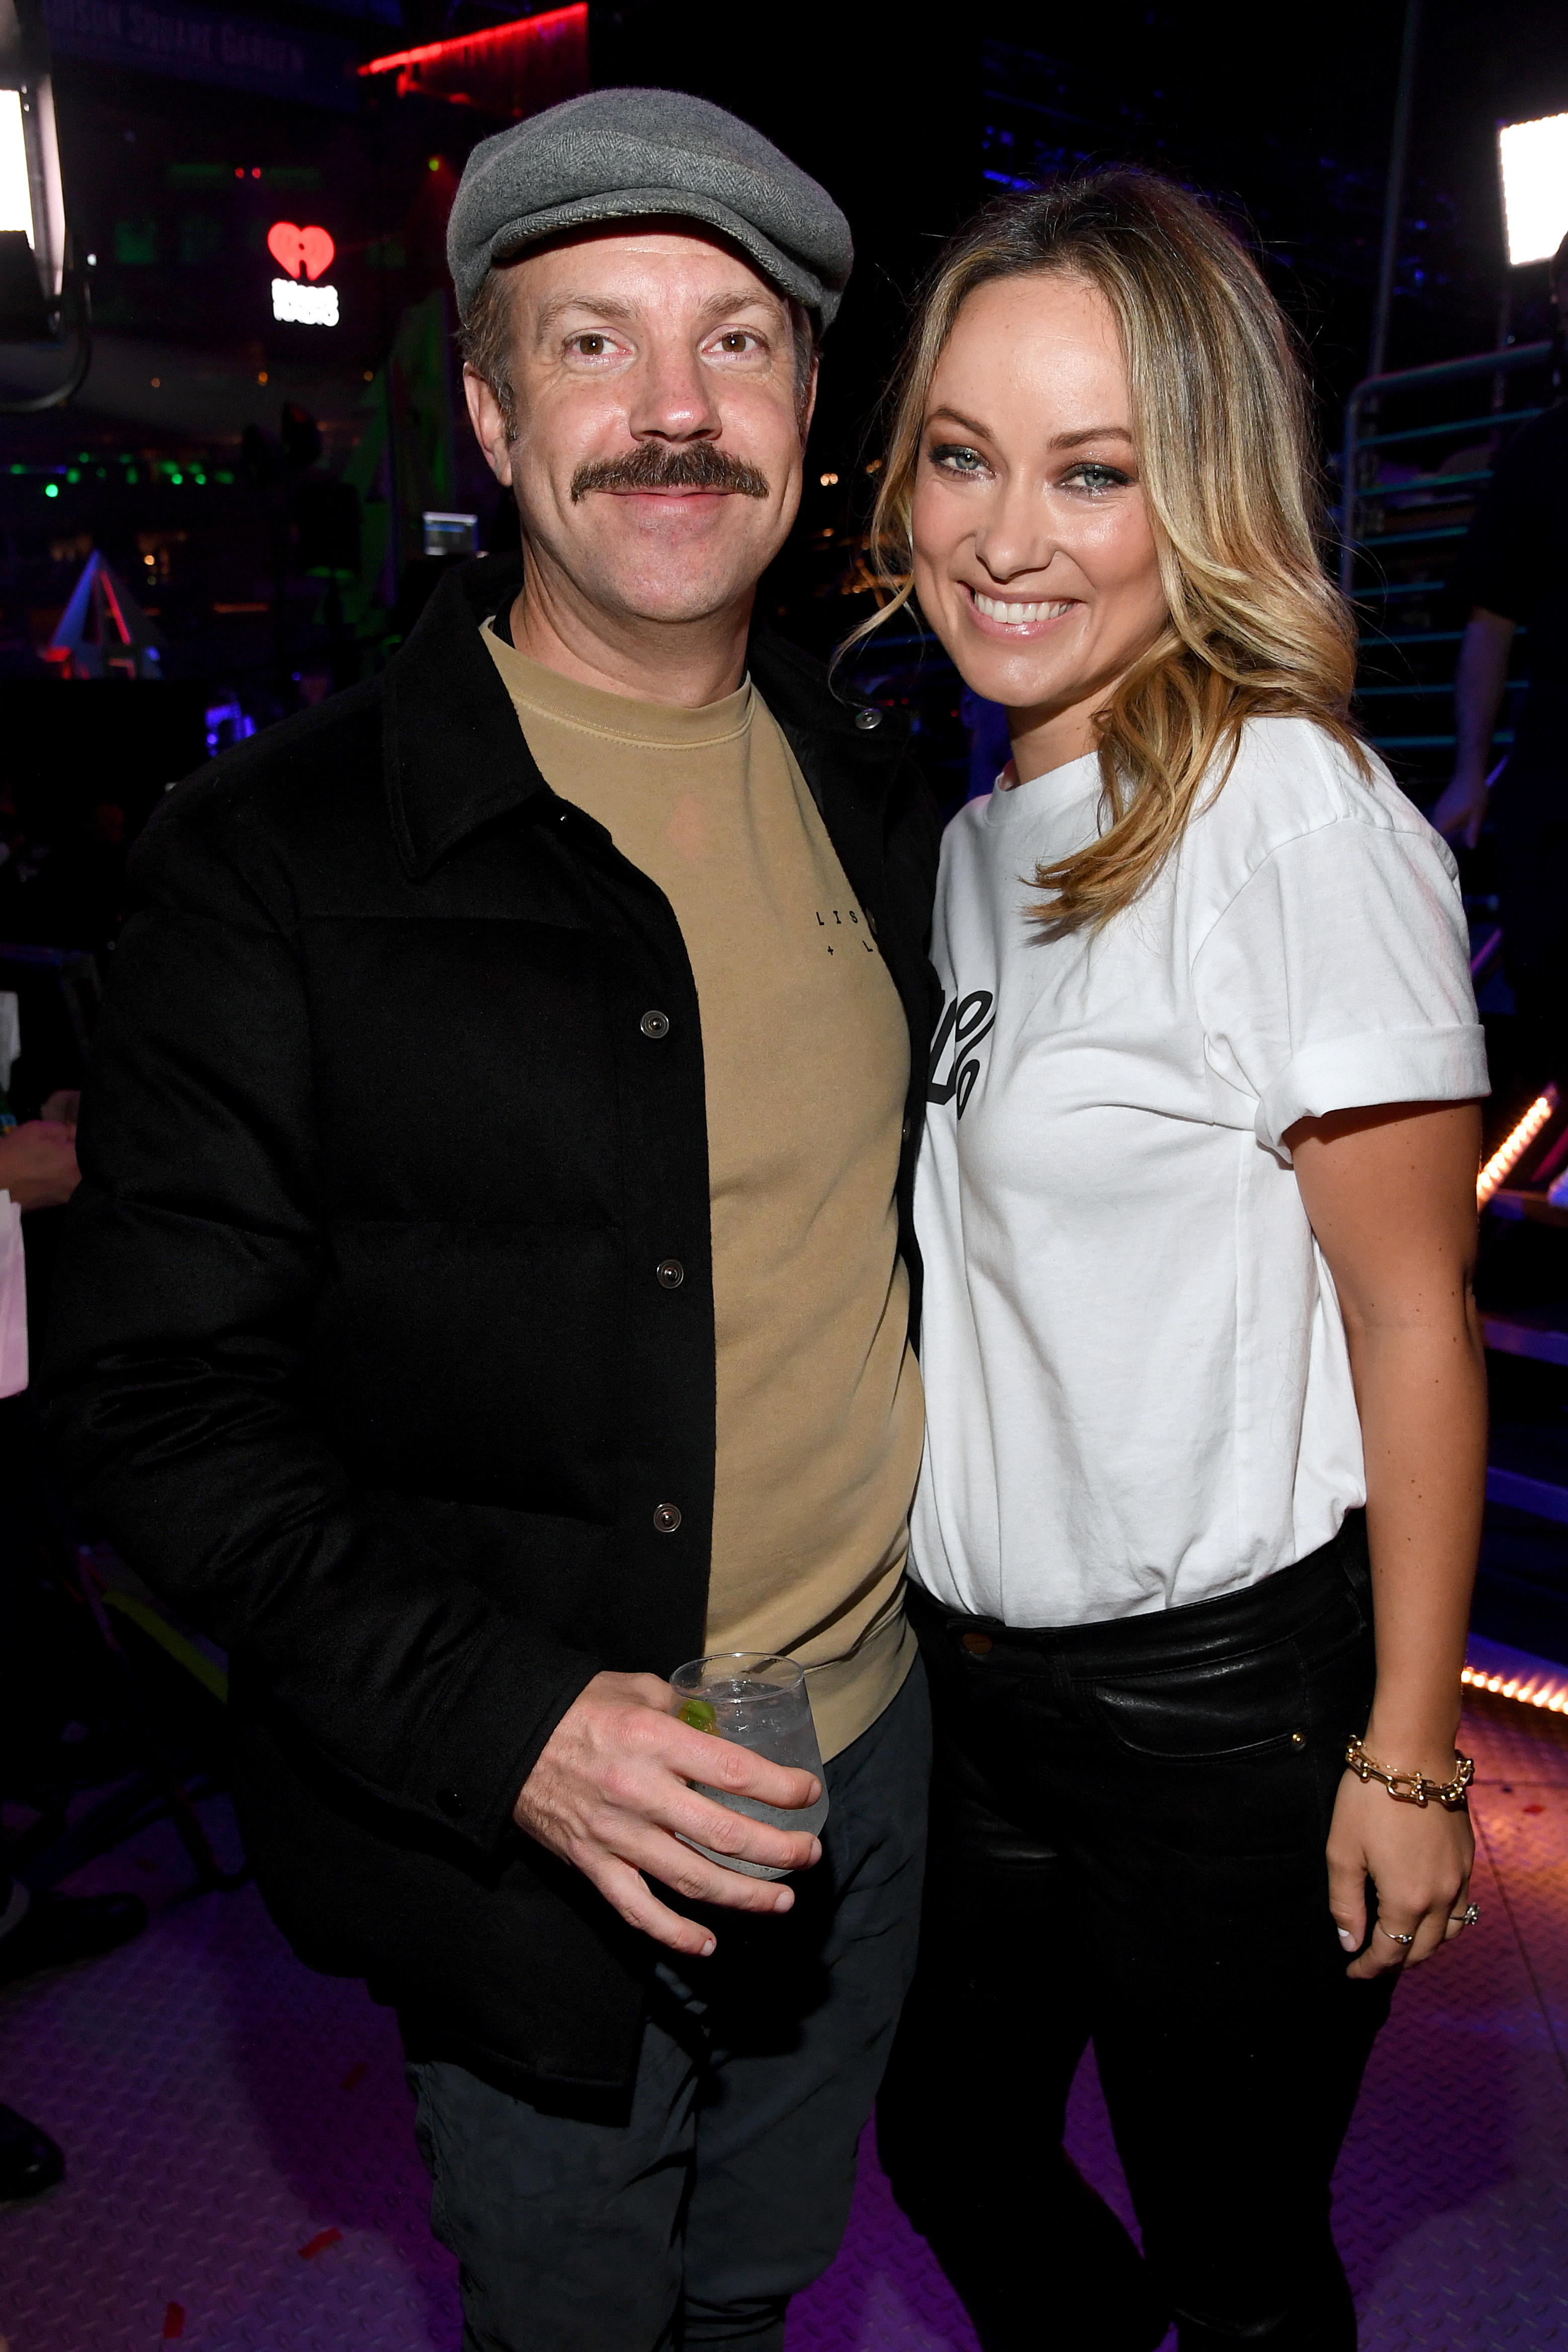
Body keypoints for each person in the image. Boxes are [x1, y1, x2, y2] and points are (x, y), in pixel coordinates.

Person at [41, 89, 938, 2352]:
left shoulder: (879, 790)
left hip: (872, 1760)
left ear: (810, 410)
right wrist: (515, 1722)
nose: (670, 412)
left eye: (736, 344)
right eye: (592, 343)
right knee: (569, 2314)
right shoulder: (272, 862)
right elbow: (154, 1410)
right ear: (485, 403)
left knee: (763, 2280)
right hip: (514, 1813)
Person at [862, 172, 1489, 2351]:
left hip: (1225, 1711)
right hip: (982, 1694)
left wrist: (1409, 1754)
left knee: (1235, 2251)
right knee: (945, 2138)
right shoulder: (970, 846)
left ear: (1197, 493)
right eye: (960, 454)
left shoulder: (1283, 814)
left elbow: (1412, 1314)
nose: (1003, 532)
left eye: (1090, 470)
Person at [1430, 229, 1568, 1091]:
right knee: (1545, 970)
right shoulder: (1539, 453)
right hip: (1556, 769)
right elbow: (1490, 621)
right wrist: (1471, 771)